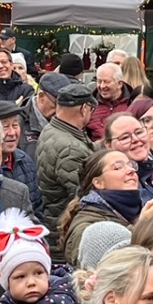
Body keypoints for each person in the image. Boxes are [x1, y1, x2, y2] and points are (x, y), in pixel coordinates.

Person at [59, 149, 153, 267]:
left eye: (131, 165)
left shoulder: (141, 210)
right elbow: (104, 269)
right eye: (118, 167)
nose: (131, 170)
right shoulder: (86, 227)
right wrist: (142, 228)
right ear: (99, 183)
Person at [36, 79, 98, 255]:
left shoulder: (51, 129)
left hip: (53, 227)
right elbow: (84, 197)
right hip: (63, 237)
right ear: (84, 109)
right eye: (91, 109)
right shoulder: (70, 148)